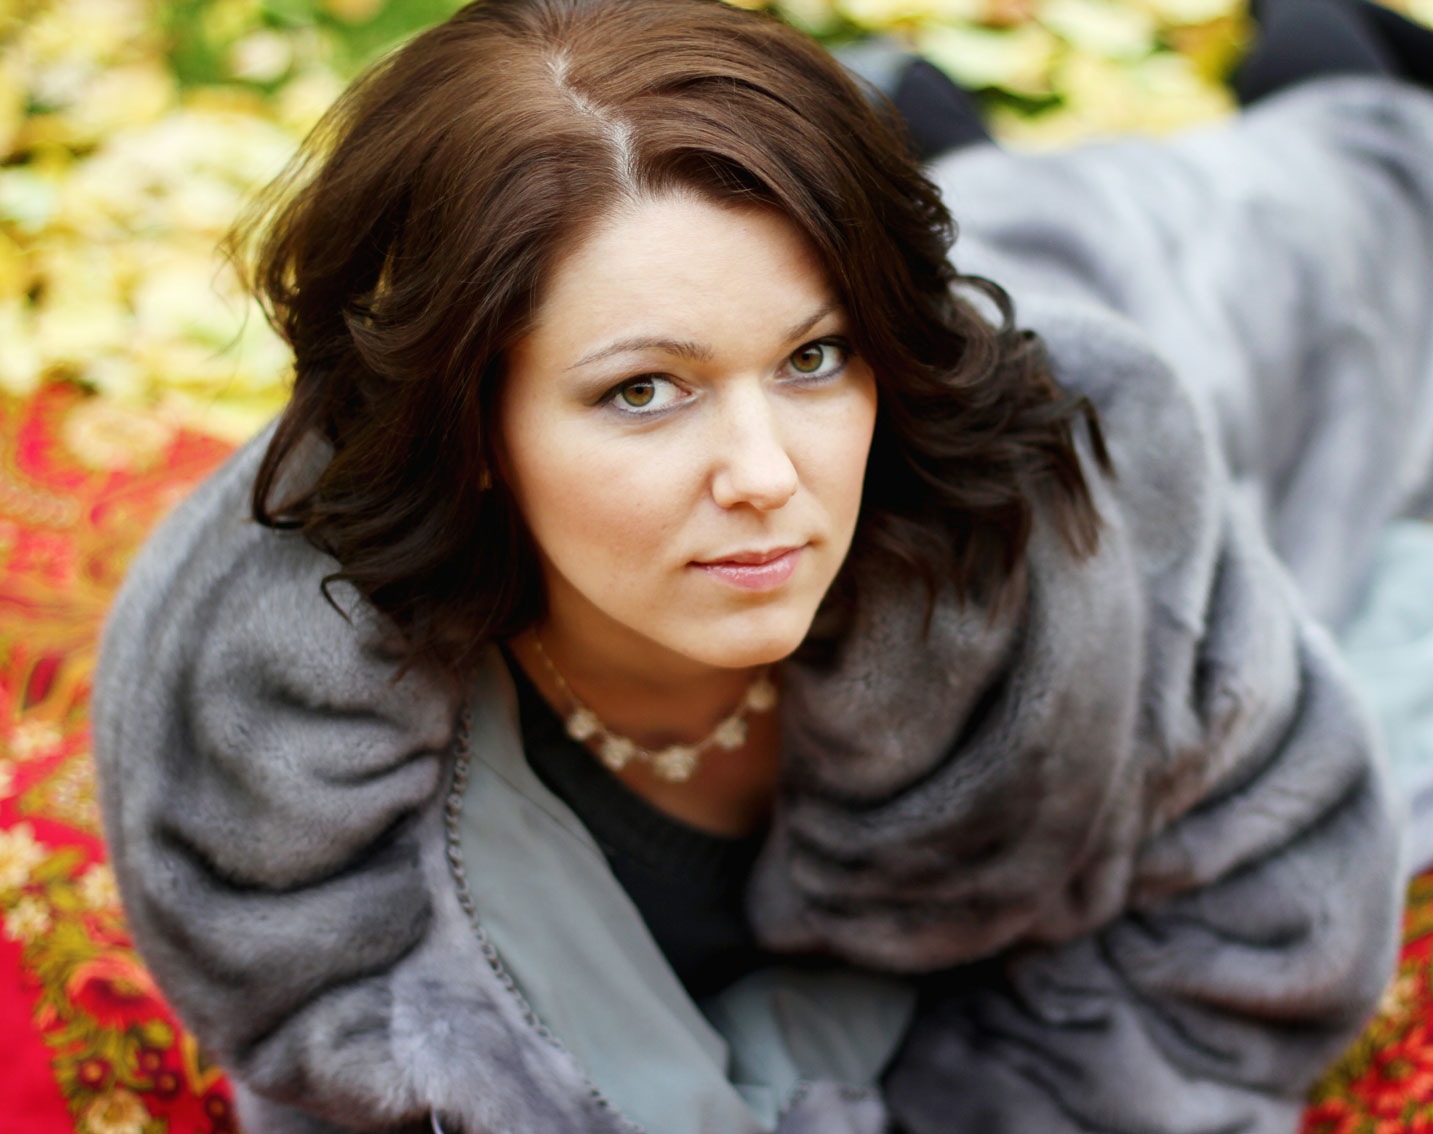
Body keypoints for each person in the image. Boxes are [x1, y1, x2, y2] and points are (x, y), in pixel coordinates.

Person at [92, 0, 1433, 1131]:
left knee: (1330, 232)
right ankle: (919, 159)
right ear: (473, 426)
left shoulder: (1073, 489)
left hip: (1104, 327)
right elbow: (359, 1071)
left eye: (813, 357)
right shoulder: (260, 735)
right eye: (642, 392)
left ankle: (1343, 83)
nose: (765, 473)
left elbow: (1265, 909)